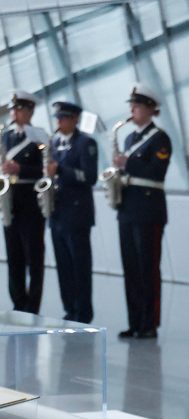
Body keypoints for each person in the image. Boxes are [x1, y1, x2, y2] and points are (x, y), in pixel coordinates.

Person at [115, 84, 171, 340]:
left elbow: (156, 172)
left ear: (150, 108)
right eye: (131, 105)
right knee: (131, 269)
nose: (132, 109)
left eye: (137, 105)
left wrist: (129, 163)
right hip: (127, 209)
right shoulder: (129, 139)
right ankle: (134, 320)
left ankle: (149, 323)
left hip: (149, 210)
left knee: (148, 268)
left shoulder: (160, 139)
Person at [45, 101, 98, 323]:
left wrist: (61, 170)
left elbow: (89, 177)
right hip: (57, 213)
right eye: (57, 118)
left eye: (63, 118)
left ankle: (83, 312)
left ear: (75, 119)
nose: (59, 122)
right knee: (64, 266)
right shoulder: (55, 144)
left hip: (77, 214)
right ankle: (69, 308)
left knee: (79, 265)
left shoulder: (86, 143)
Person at [1, 91, 48, 314]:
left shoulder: (39, 137)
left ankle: (32, 305)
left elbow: (45, 169)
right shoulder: (6, 137)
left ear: (30, 111)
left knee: (34, 257)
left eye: (19, 109)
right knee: (14, 256)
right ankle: (18, 302)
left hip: (31, 200)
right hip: (10, 200)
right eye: (13, 109)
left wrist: (20, 169)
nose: (14, 113)